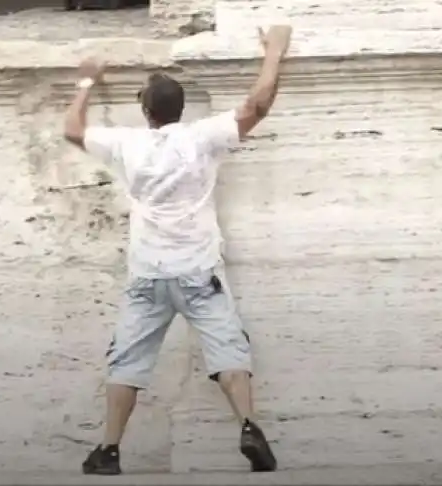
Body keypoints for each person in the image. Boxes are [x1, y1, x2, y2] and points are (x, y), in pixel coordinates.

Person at [62, 25, 293, 475]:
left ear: (145, 111)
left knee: (127, 360)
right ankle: (248, 425)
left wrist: (87, 80)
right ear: (181, 109)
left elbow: (72, 130)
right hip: (199, 271)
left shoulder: (126, 143)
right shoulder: (201, 137)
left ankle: (109, 450)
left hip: (148, 273)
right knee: (228, 349)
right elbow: (258, 105)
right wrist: (274, 52)